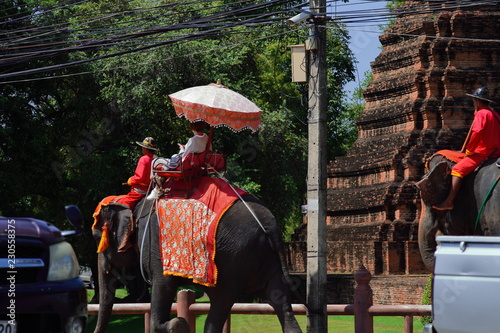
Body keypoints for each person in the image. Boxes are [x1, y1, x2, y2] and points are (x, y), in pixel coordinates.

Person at [433, 87, 500, 210]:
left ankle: (449, 201)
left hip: (483, 153)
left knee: (457, 170)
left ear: (478, 102)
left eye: (474, 101)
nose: (473, 103)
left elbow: (477, 131)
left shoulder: (481, 114)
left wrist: (470, 150)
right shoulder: (494, 114)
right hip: (496, 152)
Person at [147, 121, 209, 200]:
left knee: (156, 161)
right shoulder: (206, 137)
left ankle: (156, 188)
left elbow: (184, 155)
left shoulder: (193, 140)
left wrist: (182, 149)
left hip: (183, 165)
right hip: (195, 163)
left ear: (192, 127)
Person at [119, 136, 159, 209]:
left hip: (141, 190)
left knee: (123, 206)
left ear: (146, 148)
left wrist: (130, 181)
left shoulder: (144, 159)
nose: (142, 149)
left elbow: (139, 177)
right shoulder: (156, 159)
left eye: (142, 147)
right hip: (151, 189)